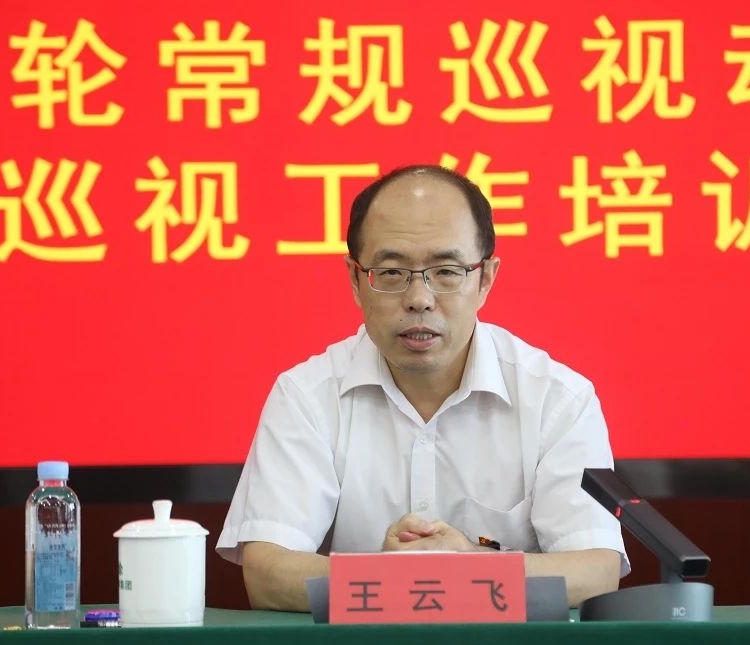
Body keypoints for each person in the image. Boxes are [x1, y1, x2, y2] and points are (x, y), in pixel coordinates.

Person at [217, 164, 629, 611]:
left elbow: (596, 571)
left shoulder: (557, 399)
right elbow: (266, 573)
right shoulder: (306, 397)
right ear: (356, 279)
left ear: (485, 279)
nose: (419, 299)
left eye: (447, 271)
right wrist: (395, 577)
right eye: (391, 273)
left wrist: (471, 566)